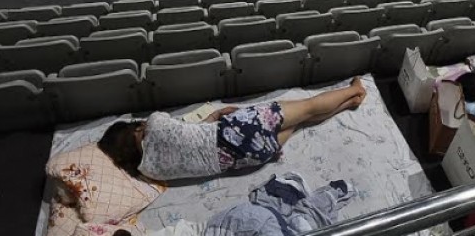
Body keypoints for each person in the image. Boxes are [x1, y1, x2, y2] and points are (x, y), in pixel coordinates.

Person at [97, 79, 367, 181]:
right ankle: (356, 89)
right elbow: (180, 129)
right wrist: (216, 117)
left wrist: (213, 116)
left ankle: (348, 104)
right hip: (236, 129)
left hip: (246, 158)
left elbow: (187, 142)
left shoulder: (148, 171)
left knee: (302, 123)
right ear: (133, 133)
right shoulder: (155, 122)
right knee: (308, 107)